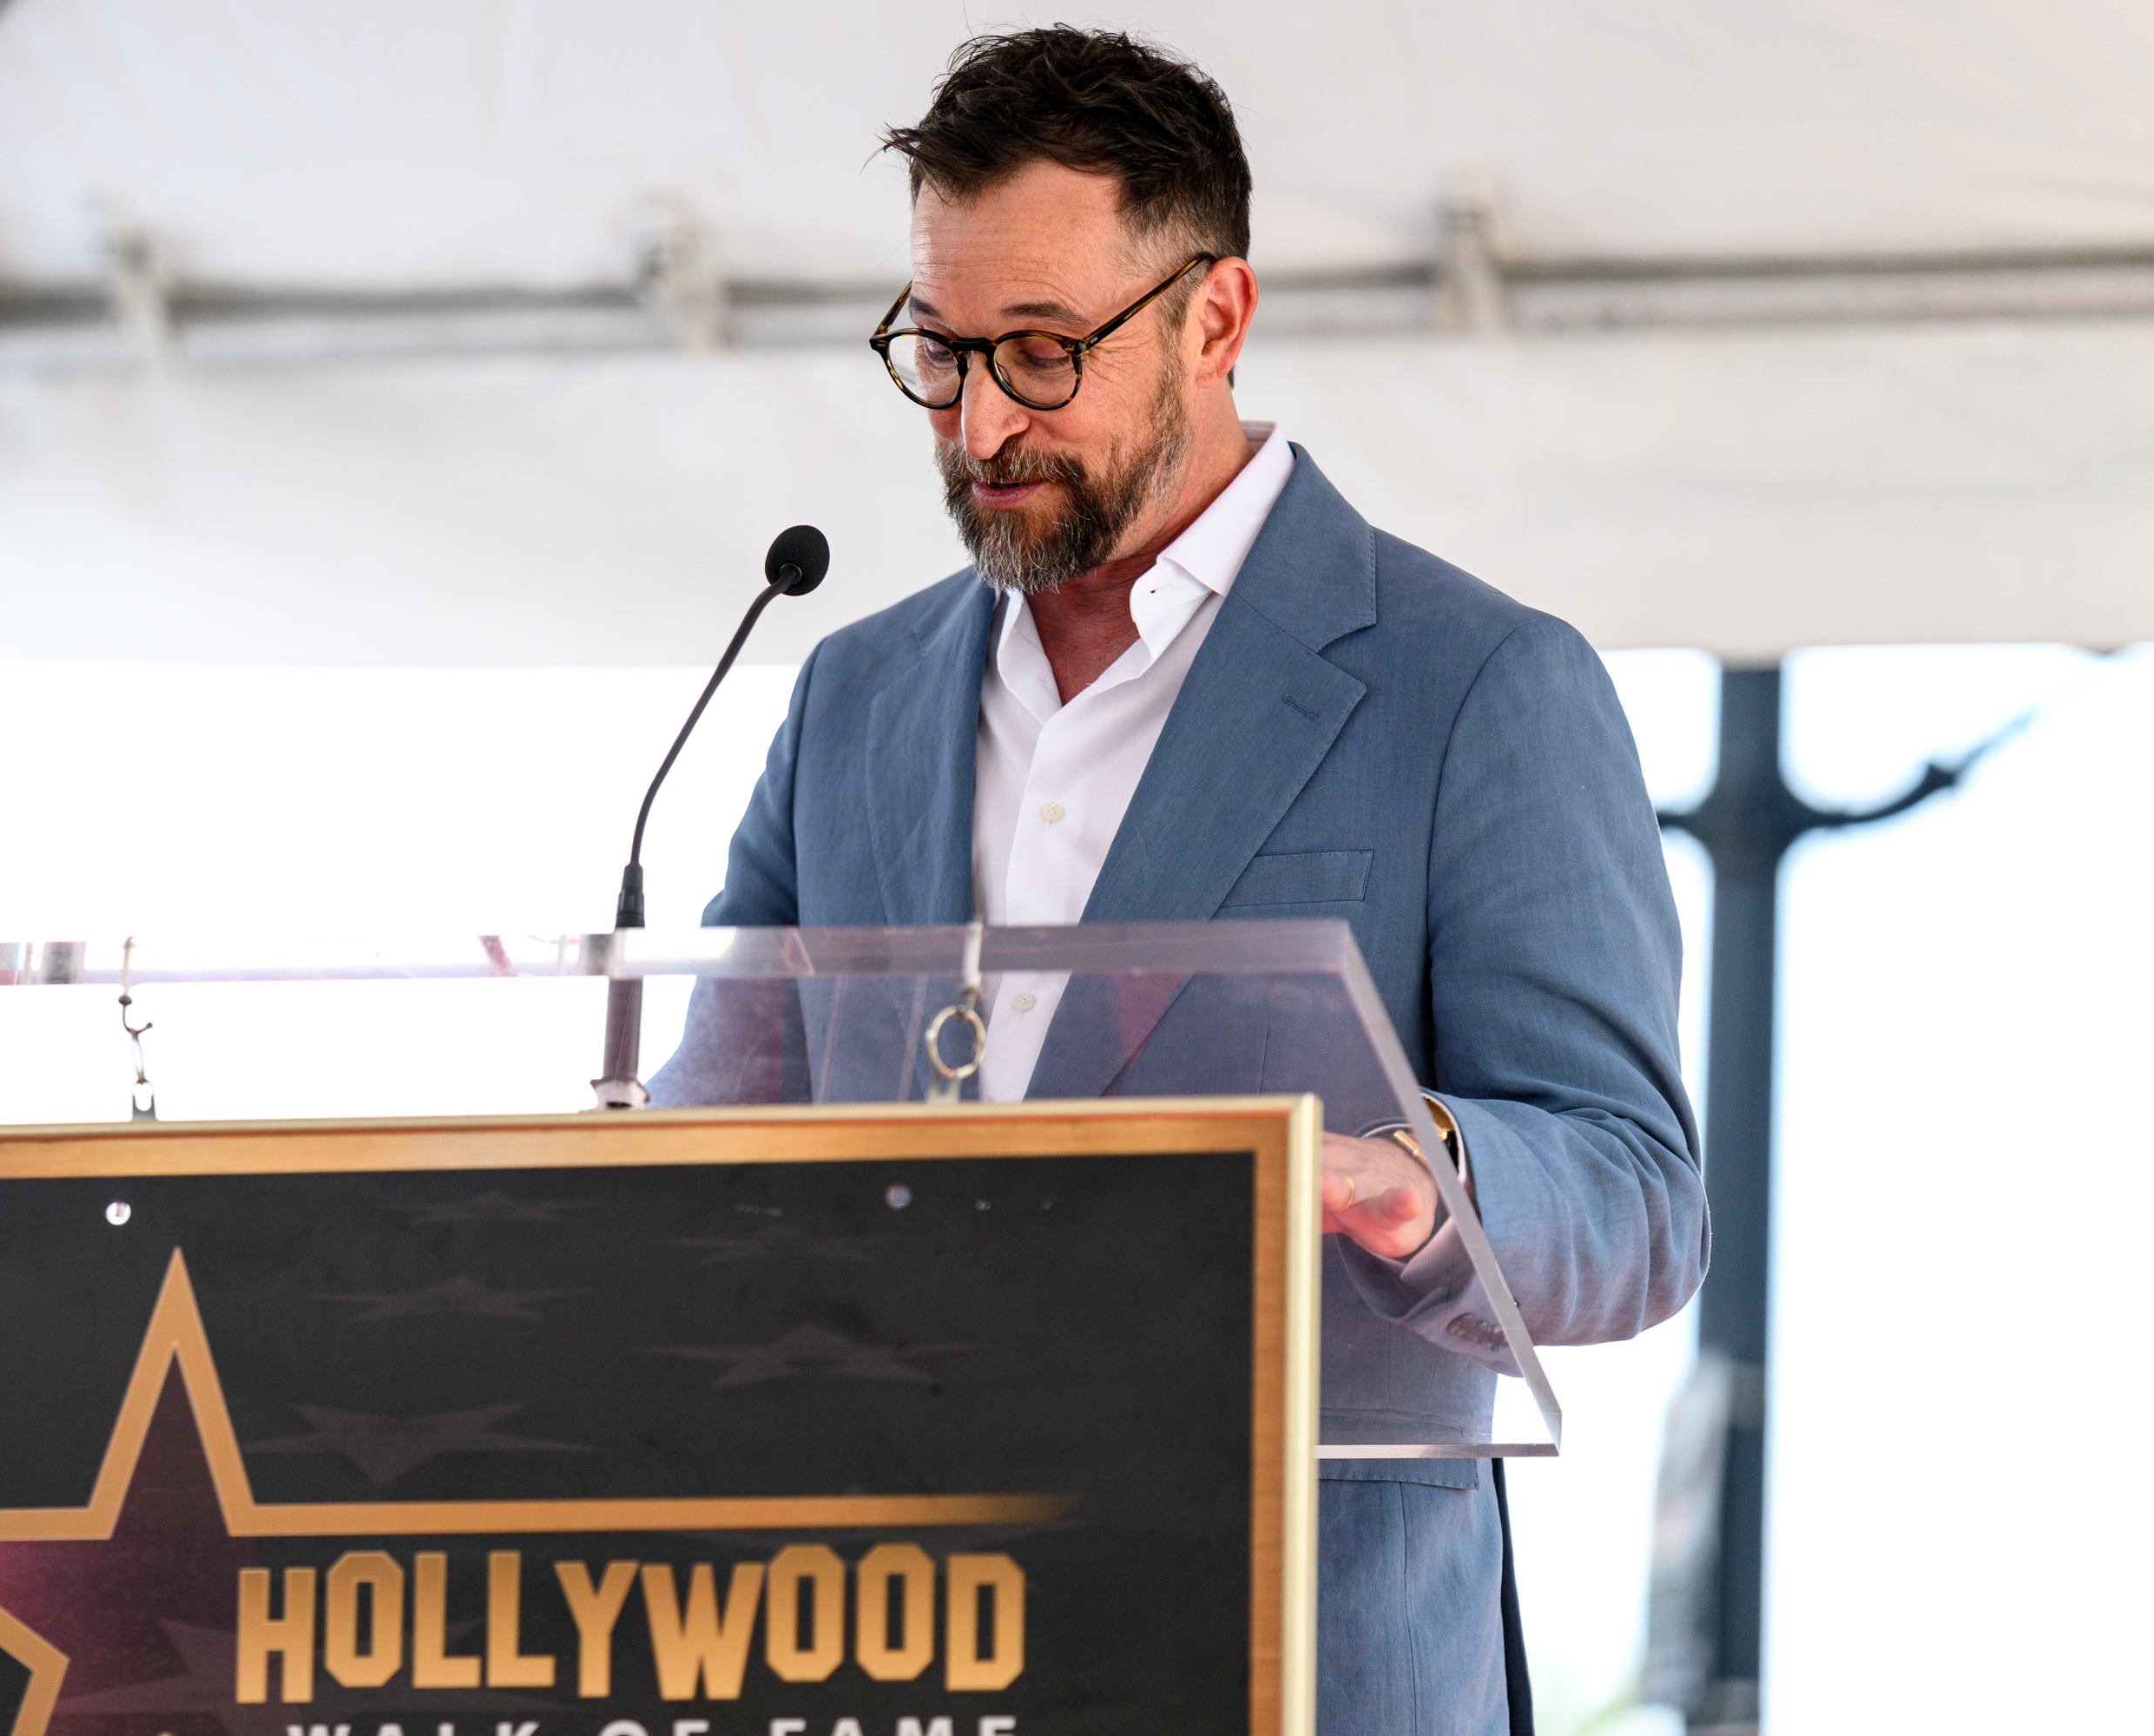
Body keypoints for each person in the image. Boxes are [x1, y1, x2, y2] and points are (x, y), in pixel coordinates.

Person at [688, 26, 1705, 1735]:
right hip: (891, 1657)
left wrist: (1416, 1177)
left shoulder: (1476, 686)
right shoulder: (849, 697)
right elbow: (715, 1149)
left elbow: (1637, 1199)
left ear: (1214, 318)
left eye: (1041, 352)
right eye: (938, 353)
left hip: (1300, 1665)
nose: (981, 421)